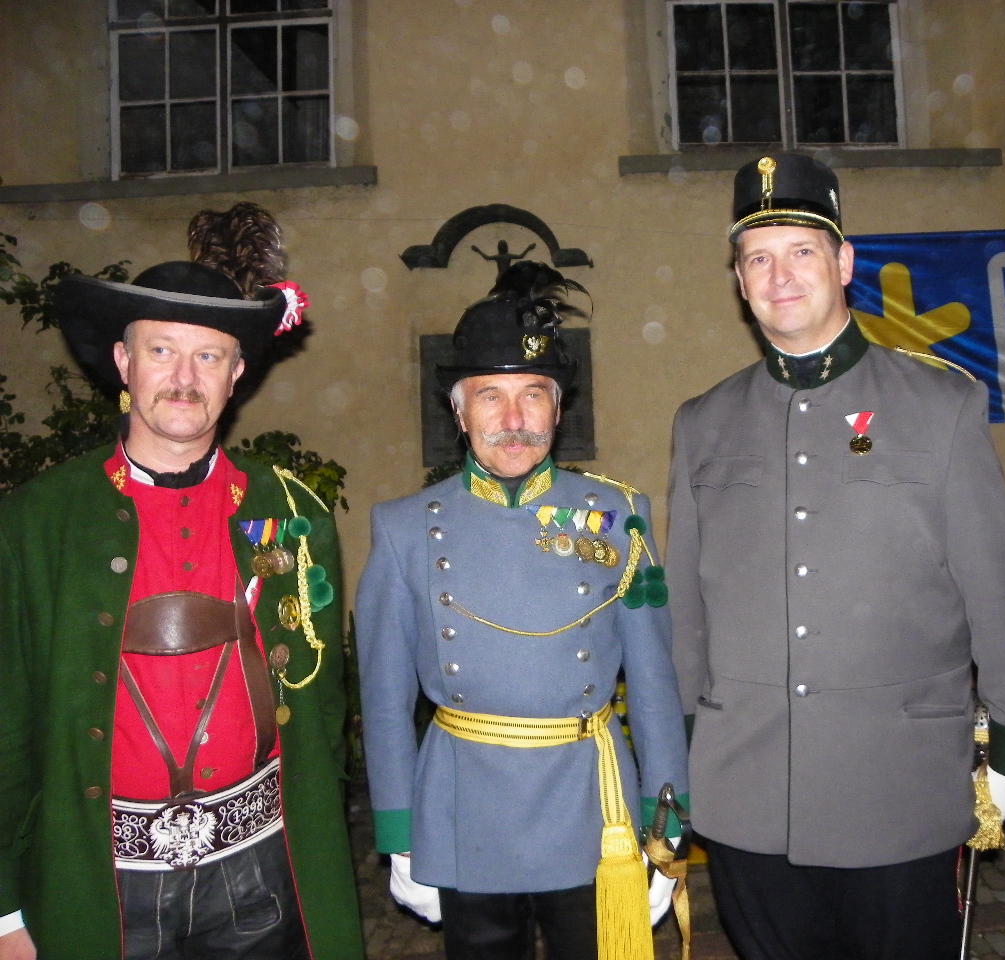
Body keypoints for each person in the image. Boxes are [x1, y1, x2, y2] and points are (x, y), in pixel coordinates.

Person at [665, 154, 1005, 960]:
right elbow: (687, 608)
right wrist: (683, 750)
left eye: (801, 251)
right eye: (757, 258)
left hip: (898, 788)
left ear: (843, 263)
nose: (779, 276)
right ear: (738, 281)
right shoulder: (704, 421)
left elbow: (996, 587)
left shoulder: (940, 406)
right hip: (747, 790)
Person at [0, 206, 364, 960]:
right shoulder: (38, 521)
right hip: (101, 884)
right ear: (123, 361)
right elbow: (6, 724)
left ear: (237, 372)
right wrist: (4, 911)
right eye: (161, 350)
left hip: (261, 873)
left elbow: (323, 710)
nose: (184, 378)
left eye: (209, 356)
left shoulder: (292, 513)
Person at [356, 263, 689, 960]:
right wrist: (400, 834)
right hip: (463, 809)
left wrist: (666, 823)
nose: (513, 421)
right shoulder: (406, 527)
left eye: (533, 395)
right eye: (491, 396)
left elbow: (655, 683)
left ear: (557, 410)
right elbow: (383, 698)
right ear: (459, 412)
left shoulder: (618, 516)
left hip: (592, 809)